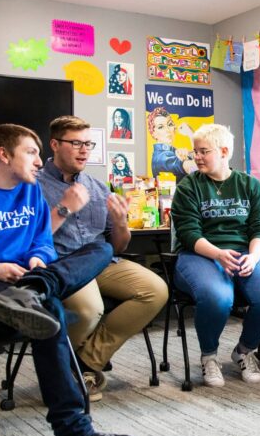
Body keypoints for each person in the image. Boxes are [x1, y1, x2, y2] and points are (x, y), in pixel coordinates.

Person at [0, 123, 136, 436]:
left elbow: (43, 243)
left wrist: (38, 258)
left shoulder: (30, 193)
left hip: (22, 284)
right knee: (51, 312)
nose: (37, 161)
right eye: (31, 152)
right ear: (4, 154)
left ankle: (35, 288)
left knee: (101, 249)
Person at [39, 116, 168, 401]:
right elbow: (31, 241)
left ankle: (85, 363)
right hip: (63, 265)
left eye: (89, 144)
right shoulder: (33, 185)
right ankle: (62, 372)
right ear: (55, 144)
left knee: (155, 290)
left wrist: (121, 223)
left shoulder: (98, 188)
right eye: (76, 143)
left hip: (101, 262)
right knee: (89, 309)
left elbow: (118, 246)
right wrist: (64, 208)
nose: (84, 150)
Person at [170, 124, 260, 387]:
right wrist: (218, 254)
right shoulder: (188, 187)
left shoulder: (249, 185)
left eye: (204, 151)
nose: (197, 157)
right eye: (195, 151)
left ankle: (244, 350)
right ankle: (209, 356)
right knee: (218, 297)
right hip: (200, 254)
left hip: (244, 251)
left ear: (223, 152)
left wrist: (254, 256)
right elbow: (188, 233)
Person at [148, 107, 196, 182]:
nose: (167, 130)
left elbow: (197, 157)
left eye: (170, 124)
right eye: (161, 127)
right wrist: (191, 134)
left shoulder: (172, 151)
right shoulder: (162, 157)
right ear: (153, 133)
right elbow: (196, 167)